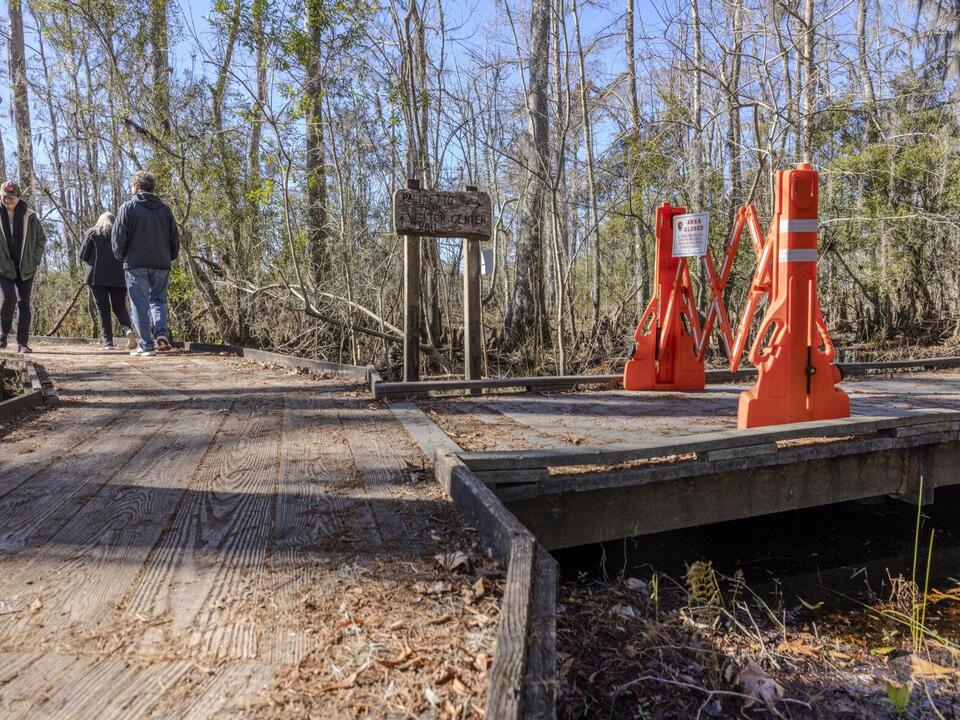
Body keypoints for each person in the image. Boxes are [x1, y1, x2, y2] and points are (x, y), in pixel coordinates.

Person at [111, 170, 180, 357]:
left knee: (139, 303)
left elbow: (118, 238)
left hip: (136, 262)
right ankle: (160, 334)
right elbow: (175, 238)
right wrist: (169, 256)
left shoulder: (128, 208)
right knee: (158, 300)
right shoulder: (165, 209)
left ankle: (147, 345)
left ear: (136, 187)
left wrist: (122, 256)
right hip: (161, 262)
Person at [0, 181, 46, 353]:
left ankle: (22, 343)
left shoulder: (30, 216)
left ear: (19, 197)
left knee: (23, 303)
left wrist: (34, 260)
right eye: (4, 197)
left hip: (25, 267)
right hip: (3, 267)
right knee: (8, 299)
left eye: (11, 197)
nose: (8, 200)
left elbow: (41, 239)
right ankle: (3, 331)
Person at [80, 212, 136, 349]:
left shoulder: (92, 234)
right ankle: (127, 329)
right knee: (119, 307)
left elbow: (83, 255)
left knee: (103, 308)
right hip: (118, 277)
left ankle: (108, 342)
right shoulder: (122, 235)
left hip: (96, 277)